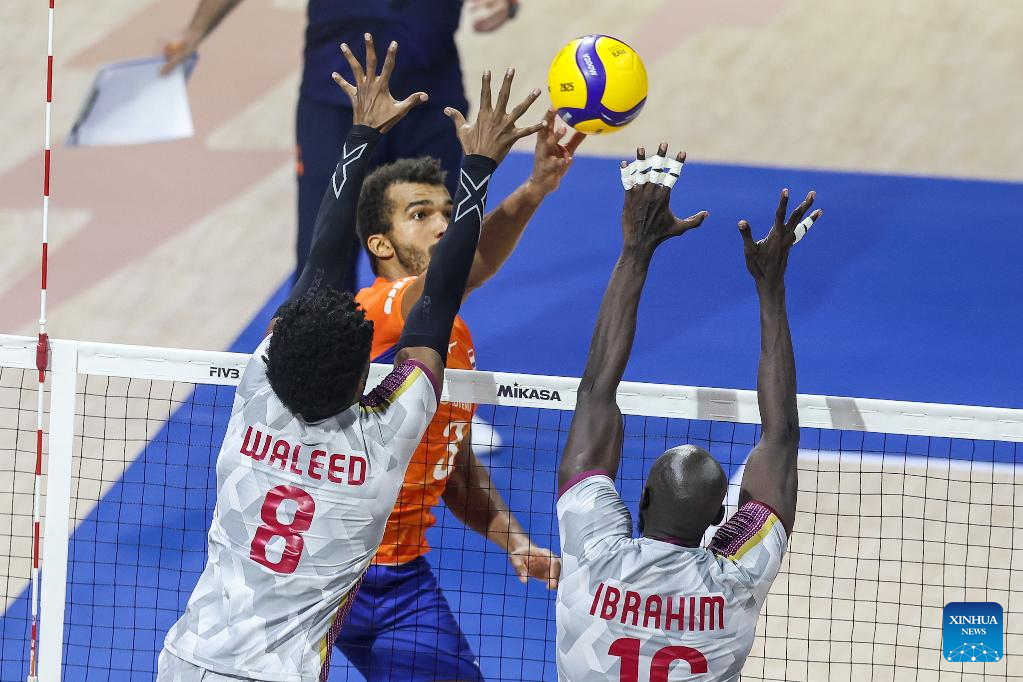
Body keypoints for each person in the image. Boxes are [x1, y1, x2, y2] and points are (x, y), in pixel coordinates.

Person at [157, 39, 543, 682]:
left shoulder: (256, 396)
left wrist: (361, 133)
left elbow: (318, 262)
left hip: (186, 658)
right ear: (364, 378)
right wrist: (480, 168)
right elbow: (440, 293)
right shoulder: (379, 446)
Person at [323, 41, 582, 681]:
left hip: (400, 582)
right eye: (421, 215)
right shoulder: (378, 310)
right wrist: (487, 174)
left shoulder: (450, 335)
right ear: (381, 244)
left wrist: (513, 539)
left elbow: (450, 459)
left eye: (447, 213)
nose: (443, 225)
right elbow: (463, 268)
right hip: (319, 573)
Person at [555, 143, 823, 681]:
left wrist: (637, 249)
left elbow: (595, 393)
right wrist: (771, 289)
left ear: (643, 498)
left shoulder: (595, 551)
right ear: (721, 518)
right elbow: (781, 439)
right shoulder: (736, 581)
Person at [163, 0, 521, 290]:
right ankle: (320, 358)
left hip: (428, 101)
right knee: (322, 260)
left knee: (430, 260)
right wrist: (195, 30)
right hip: (335, 103)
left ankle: (417, 357)